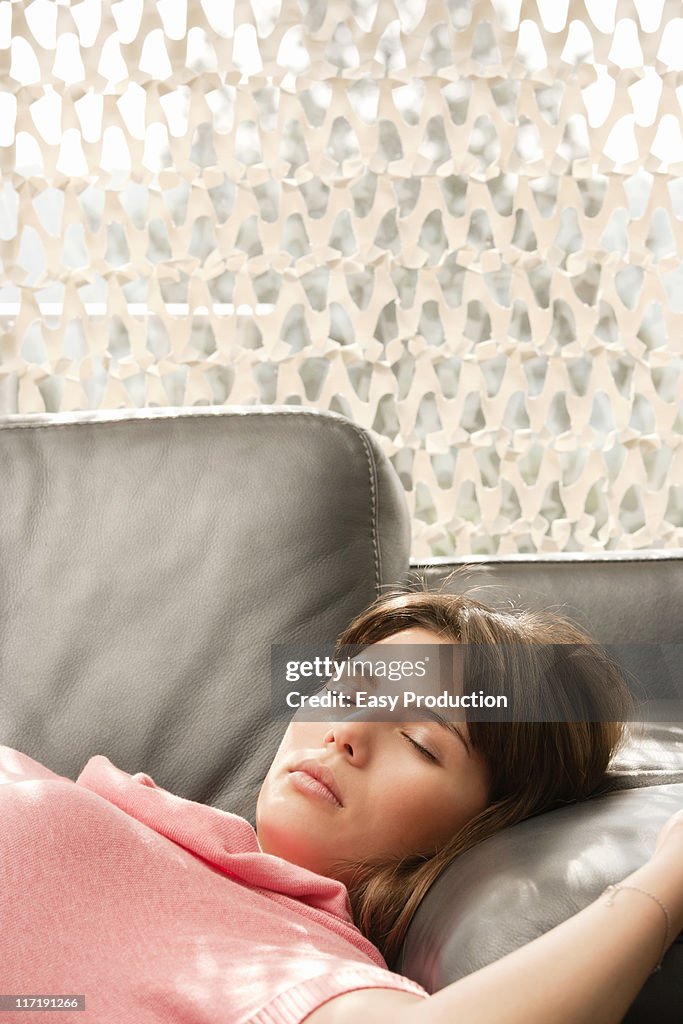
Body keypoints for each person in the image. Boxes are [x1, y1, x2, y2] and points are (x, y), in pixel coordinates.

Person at [1, 590, 681, 1024]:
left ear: (483, 824)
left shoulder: (287, 948)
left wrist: (663, 884)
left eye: (419, 739)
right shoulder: (177, 839)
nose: (346, 733)